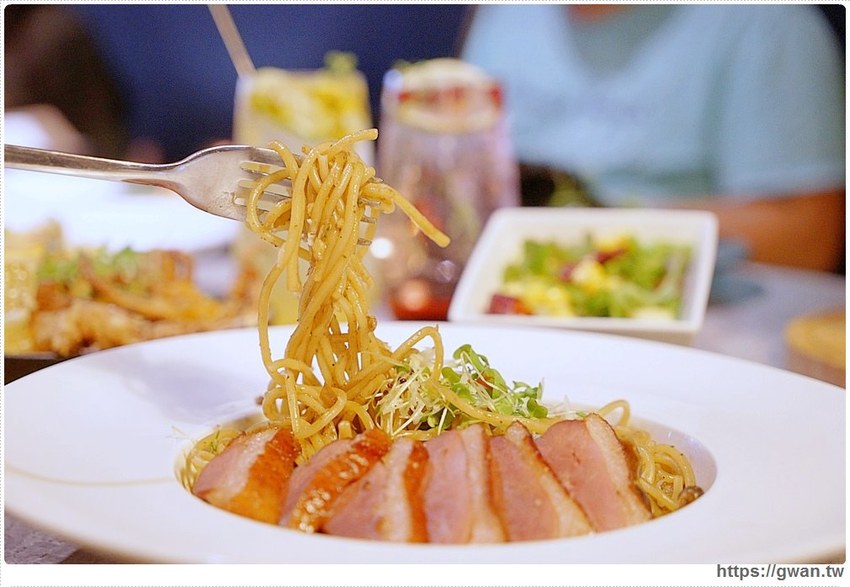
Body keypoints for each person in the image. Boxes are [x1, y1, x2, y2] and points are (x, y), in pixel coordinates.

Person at [460, 4, 845, 272]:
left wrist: (606, 226)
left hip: (695, 312)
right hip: (500, 292)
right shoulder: (502, 14)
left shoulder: (767, 23)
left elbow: (809, 237)